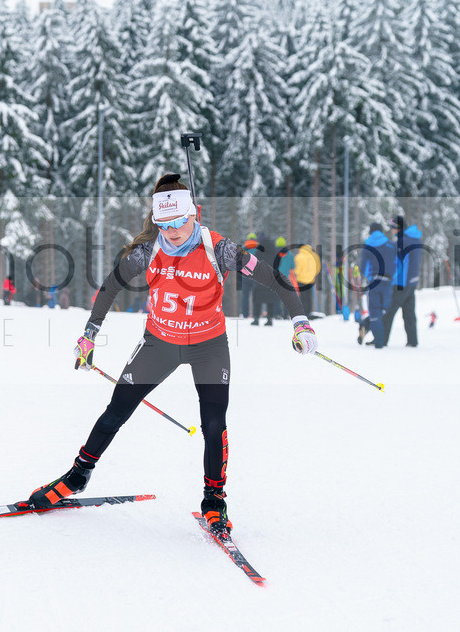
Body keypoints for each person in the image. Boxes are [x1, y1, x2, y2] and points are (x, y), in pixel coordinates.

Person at [24, 174, 315, 538]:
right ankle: (78, 475)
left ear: (194, 213)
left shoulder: (219, 249)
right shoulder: (149, 250)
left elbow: (276, 280)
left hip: (209, 346)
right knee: (117, 410)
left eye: (179, 221)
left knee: (213, 423)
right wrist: (89, 334)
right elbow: (111, 285)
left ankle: (214, 500)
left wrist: (301, 322)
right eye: (164, 223)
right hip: (159, 343)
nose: (173, 231)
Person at [381, 216, 423, 347]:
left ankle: (381, 340)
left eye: (393, 227)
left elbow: (400, 264)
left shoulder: (403, 241)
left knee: (388, 311)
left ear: (398, 228)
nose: (392, 230)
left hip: (402, 284)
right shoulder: (414, 239)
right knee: (409, 313)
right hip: (412, 282)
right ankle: (412, 341)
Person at [359, 222, 396, 348]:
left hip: (374, 281)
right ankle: (378, 337)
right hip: (388, 282)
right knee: (384, 310)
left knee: (374, 313)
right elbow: (398, 264)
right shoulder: (391, 245)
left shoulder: (368, 246)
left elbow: (363, 269)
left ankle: (378, 341)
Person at [250, 233, 278, 326]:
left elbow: (255, 262)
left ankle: (256, 319)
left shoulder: (259, 250)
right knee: (270, 298)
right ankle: (270, 319)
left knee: (257, 298)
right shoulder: (274, 250)